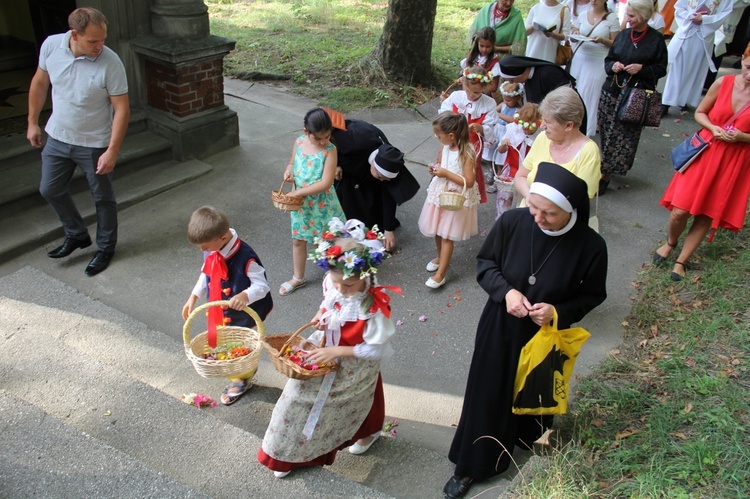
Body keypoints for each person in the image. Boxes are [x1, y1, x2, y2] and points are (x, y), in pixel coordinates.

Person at [443, 162, 607, 499]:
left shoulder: (591, 246)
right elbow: (486, 265)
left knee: (533, 395)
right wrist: (507, 293)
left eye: (548, 213)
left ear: (571, 211)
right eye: (533, 206)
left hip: (546, 335)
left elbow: (592, 295)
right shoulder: (513, 221)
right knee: (489, 394)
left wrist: (558, 311)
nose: (538, 217)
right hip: (501, 326)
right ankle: (472, 466)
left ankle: (523, 438)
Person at [258, 218, 397, 478]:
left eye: (348, 286)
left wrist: (336, 352)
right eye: (336, 284)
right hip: (324, 349)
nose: (341, 290)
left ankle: (368, 432)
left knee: (354, 402)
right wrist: (319, 315)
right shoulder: (334, 283)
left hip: (354, 362)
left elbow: (377, 350)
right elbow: (328, 302)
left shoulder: (372, 307)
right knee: (296, 399)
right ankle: (285, 454)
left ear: (364, 276)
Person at [26, 7, 129, 276]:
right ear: (74, 34)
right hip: (58, 136)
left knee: (102, 198)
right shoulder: (51, 46)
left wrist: (112, 151)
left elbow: (122, 109)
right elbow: (39, 83)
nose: (100, 46)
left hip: (95, 143)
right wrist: (32, 122)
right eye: (93, 41)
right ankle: (77, 234)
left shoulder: (110, 62)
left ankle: (105, 247)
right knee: (49, 189)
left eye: (103, 40)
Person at [653, 44, 750, 281]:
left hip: (734, 158)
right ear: (744, 59)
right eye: (748, 67)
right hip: (706, 150)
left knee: (706, 212)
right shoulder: (723, 83)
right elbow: (700, 113)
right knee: (680, 211)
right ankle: (671, 242)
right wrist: (713, 127)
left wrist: (742, 137)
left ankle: (681, 260)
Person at [182, 206, 273, 405]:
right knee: (225, 341)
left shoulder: (246, 256)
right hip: (219, 309)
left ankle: (243, 378)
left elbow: (262, 286)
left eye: (205, 246)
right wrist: (193, 297)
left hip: (243, 313)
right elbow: (205, 273)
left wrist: (245, 295)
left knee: (241, 345)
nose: (202, 251)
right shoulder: (213, 247)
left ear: (222, 238)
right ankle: (235, 367)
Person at [598, 0, 667, 193]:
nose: (628, 20)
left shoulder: (656, 40)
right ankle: (603, 166)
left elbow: (661, 69)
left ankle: (606, 173)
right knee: (606, 131)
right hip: (612, 91)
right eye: (627, 15)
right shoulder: (622, 36)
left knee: (622, 135)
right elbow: (608, 60)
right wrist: (613, 66)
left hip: (634, 96)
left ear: (644, 16)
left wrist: (642, 69)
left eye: (632, 16)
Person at [279, 107, 345, 296]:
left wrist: (298, 192)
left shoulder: (330, 151)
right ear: (306, 132)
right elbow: (292, 163)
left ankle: (335, 277)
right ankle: (298, 278)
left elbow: (326, 183)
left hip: (321, 204)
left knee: (324, 242)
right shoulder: (299, 142)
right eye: (318, 138)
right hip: (300, 204)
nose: (324, 141)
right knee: (298, 240)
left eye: (327, 136)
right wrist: (289, 171)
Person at [331, 116, 420, 252]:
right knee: (349, 195)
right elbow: (328, 135)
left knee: (378, 192)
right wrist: (335, 163)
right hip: (347, 157)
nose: (381, 180)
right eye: (379, 176)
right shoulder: (349, 142)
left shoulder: (389, 159)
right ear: (373, 163)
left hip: (364, 159)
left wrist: (388, 229)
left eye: (385, 178)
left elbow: (389, 195)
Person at [418, 113, 480, 289]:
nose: (438, 139)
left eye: (439, 136)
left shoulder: (467, 151)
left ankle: (441, 274)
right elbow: (441, 164)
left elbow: (469, 182)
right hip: (440, 194)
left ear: (451, 135)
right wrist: (435, 169)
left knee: (446, 235)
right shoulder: (445, 147)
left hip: (455, 198)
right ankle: (440, 257)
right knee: (438, 230)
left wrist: (446, 174)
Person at [515, 87, 601, 203]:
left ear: (568, 126)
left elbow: (582, 200)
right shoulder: (543, 138)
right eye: (543, 119)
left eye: (548, 122)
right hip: (528, 212)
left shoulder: (588, 151)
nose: (542, 125)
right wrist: (530, 198)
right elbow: (520, 176)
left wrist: (542, 208)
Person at [661, 0, 733, 117]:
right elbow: (679, 6)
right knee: (677, 68)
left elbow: (724, 13)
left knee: (696, 69)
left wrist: (705, 19)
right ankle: (666, 102)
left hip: (703, 36)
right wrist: (690, 16)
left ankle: (684, 100)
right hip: (687, 32)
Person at [440, 66, 499, 201]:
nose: (472, 95)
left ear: (484, 89)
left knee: (467, 169)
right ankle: (445, 193)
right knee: (449, 164)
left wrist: (482, 128)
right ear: (464, 85)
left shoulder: (488, 104)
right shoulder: (456, 97)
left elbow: (491, 127)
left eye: (477, 92)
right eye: (469, 91)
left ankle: (466, 198)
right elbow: (444, 113)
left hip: (472, 144)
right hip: (452, 140)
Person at [498, 55, 588, 134]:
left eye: (512, 80)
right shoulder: (528, 79)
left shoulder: (548, 73)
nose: (513, 83)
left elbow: (567, 99)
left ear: (520, 73)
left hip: (566, 119)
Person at [569, 0, 620, 137]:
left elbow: (616, 44)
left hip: (597, 59)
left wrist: (602, 40)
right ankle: (571, 125)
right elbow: (574, 37)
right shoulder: (583, 15)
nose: (593, 1)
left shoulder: (612, 18)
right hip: (580, 58)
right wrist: (575, 34)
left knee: (590, 94)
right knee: (576, 91)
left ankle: (587, 130)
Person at [493, 102, 542, 219]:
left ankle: (519, 223)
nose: (526, 130)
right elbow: (500, 150)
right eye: (523, 125)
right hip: (510, 169)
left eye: (531, 127)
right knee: (504, 201)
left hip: (529, 173)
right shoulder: (512, 130)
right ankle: (502, 221)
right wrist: (504, 145)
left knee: (524, 202)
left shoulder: (541, 135)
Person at [461, 27, 502, 96]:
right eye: (481, 46)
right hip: (466, 94)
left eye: (488, 46)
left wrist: (477, 89)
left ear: (493, 45)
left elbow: (493, 87)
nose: (484, 49)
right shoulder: (471, 57)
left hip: (482, 96)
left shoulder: (494, 62)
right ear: (477, 43)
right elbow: (464, 75)